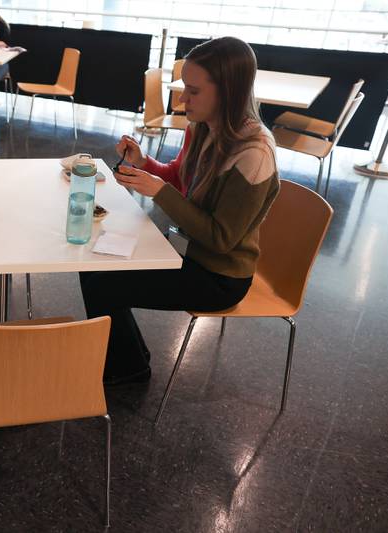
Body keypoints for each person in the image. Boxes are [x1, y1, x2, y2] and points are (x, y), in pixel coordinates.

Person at [80, 37, 280, 385]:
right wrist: (145, 163)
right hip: (187, 251)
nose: (182, 99)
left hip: (220, 276)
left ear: (228, 92)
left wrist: (161, 192)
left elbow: (221, 239)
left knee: (104, 286)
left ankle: (128, 368)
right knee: (92, 264)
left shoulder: (254, 154)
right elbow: (179, 175)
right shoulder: (203, 127)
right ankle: (128, 357)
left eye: (193, 90)